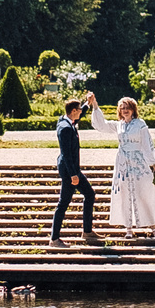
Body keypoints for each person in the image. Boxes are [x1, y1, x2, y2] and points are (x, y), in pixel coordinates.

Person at [87, 91, 155, 236]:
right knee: (124, 193)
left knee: (144, 192)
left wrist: (152, 163)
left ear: (133, 109)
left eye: (127, 107)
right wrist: (95, 104)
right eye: (122, 108)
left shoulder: (140, 124)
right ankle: (128, 228)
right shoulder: (119, 125)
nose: (125, 110)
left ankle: (153, 228)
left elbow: (147, 143)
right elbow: (101, 125)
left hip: (138, 163)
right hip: (123, 163)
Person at [49, 96, 98, 246]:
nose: (80, 113)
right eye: (79, 111)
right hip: (69, 171)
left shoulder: (66, 120)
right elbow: (66, 154)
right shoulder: (65, 129)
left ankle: (87, 231)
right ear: (73, 111)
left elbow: (80, 113)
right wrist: (73, 175)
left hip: (72, 170)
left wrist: (87, 103)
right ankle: (54, 239)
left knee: (89, 194)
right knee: (63, 203)